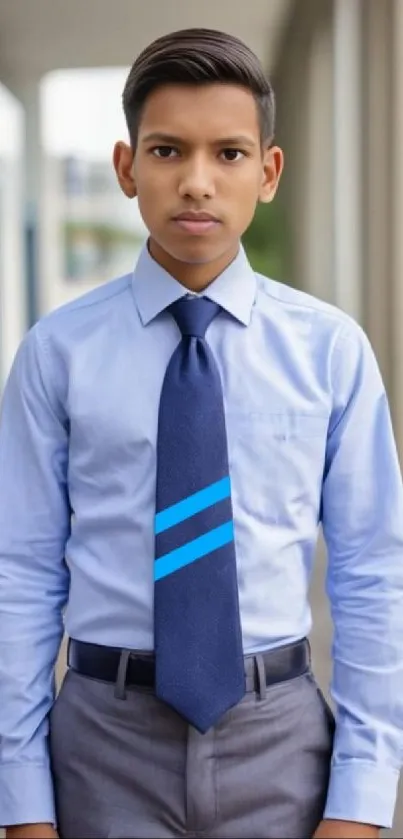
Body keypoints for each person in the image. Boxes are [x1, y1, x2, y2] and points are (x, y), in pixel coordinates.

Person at [1, 26, 402, 839]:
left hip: (281, 742)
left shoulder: (328, 350)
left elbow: (371, 572)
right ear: (126, 167)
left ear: (268, 171)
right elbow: (19, 572)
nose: (195, 182)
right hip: (102, 744)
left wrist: (361, 796)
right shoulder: (58, 353)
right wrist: (22, 800)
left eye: (226, 154)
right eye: (165, 151)